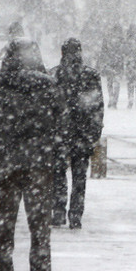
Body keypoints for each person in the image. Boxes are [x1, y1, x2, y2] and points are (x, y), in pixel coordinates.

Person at [0, 38, 62, 271]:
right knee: (40, 228)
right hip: (39, 163)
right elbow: (61, 114)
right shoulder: (48, 84)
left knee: (2, 226)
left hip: (6, 163)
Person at [47, 38, 104, 229]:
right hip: (83, 134)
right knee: (79, 177)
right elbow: (97, 107)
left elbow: (48, 107)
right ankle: (76, 215)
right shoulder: (91, 75)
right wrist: (94, 133)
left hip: (59, 133)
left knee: (58, 174)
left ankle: (58, 211)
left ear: (62, 53)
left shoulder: (53, 75)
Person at [98, 24, 125, 108]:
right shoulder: (120, 41)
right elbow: (103, 52)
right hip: (113, 63)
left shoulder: (118, 41)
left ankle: (113, 99)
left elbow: (103, 52)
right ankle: (112, 99)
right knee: (111, 82)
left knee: (113, 82)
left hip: (114, 63)